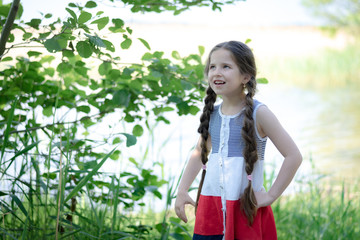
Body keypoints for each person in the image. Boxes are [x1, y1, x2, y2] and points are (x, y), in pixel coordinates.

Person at [174, 41, 302, 240]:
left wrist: (270, 196)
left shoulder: (260, 114)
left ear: (246, 76)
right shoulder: (212, 114)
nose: (217, 72)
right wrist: (182, 190)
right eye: (212, 67)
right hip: (211, 210)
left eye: (226, 66)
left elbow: (293, 156)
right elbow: (199, 154)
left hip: (245, 208)